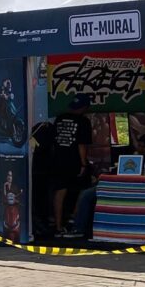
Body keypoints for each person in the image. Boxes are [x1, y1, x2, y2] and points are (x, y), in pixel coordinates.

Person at [52, 94, 93, 236]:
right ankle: (74, 220)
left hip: (58, 160)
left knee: (60, 191)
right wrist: (83, 164)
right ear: (85, 107)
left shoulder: (59, 119)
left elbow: (54, 141)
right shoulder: (84, 121)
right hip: (74, 162)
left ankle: (58, 227)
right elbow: (82, 145)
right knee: (86, 188)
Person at [2, 170, 23, 241]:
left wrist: (16, 200)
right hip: (7, 208)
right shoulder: (4, 186)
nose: (9, 177)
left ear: (12, 177)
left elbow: (19, 199)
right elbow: (4, 197)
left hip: (15, 208)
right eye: (8, 175)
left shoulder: (15, 187)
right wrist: (4, 186)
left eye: (10, 175)